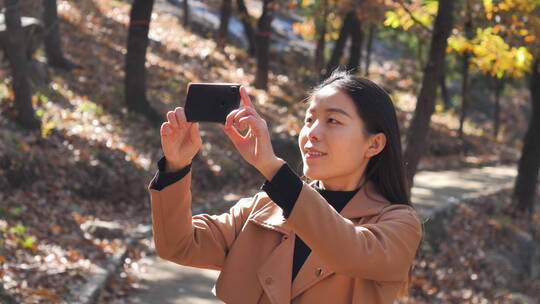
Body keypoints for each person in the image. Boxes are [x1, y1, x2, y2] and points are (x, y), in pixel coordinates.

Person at [148, 69, 422, 304]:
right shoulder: (262, 210)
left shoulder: (398, 224)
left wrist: (272, 168)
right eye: (309, 119)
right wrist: (176, 167)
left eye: (333, 121)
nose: (313, 132)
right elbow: (179, 245)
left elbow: (350, 251)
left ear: (373, 144)